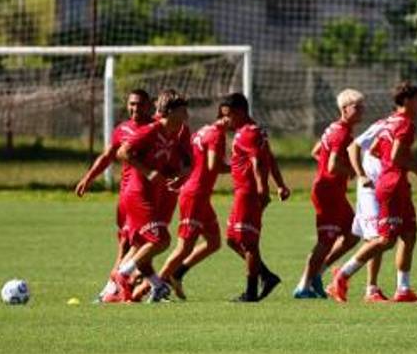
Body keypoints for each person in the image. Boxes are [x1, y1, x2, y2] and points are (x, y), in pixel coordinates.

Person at [329, 82, 417, 303]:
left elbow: (373, 149)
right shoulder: (405, 125)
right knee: (385, 240)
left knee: (409, 234)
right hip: (391, 186)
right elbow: (396, 156)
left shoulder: (385, 123)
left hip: (397, 184)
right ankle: (341, 276)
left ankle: (403, 289)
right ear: (408, 101)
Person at [75, 89, 154, 302]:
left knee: (143, 243)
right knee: (129, 243)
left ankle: (127, 286)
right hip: (129, 197)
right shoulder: (123, 130)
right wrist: (88, 178)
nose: (135, 108)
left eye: (139, 104)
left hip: (152, 196)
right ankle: (119, 288)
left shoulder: (156, 129)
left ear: (149, 105)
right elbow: (108, 155)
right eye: (131, 104)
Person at [112, 95, 192, 302]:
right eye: (183, 111)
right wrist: (147, 173)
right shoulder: (151, 130)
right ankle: (122, 274)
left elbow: (168, 165)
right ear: (171, 112)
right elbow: (122, 152)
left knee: (144, 246)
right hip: (137, 193)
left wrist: (178, 177)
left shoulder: (172, 135)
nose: (187, 115)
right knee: (160, 239)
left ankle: (157, 286)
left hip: (150, 194)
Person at [294, 89, 365, 298]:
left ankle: (318, 273)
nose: (362, 111)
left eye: (363, 106)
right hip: (328, 193)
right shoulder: (341, 133)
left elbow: (316, 152)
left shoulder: (336, 128)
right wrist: (351, 171)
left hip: (335, 192)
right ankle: (303, 286)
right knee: (325, 241)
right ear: (344, 109)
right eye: (357, 107)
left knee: (353, 234)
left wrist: (330, 167)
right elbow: (333, 165)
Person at [222, 92, 290, 302]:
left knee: (248, 243)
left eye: (229, 115)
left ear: (241, 112)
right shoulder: (254, 130)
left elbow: (258, 162)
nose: (226, 120)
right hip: (242, 192)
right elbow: (269, 157)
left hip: (248, 193)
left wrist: (262, 189)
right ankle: (267, 276)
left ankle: (251, 292)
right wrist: (280, 184)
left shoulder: (248, 133)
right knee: (233, 240)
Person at [157, 112, 232, 299]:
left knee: (214, 242)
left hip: (199, 196)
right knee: (184, 248)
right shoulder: (217, 135)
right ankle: (155, 285)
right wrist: (239, 164)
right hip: (195, 196)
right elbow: (212, 166)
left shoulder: (203, 131)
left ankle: (177, 274)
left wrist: (182, 178)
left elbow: (193, 162)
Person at [346, 114, 390, 301]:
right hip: (370, 191)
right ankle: (343, 278)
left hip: (382, 189)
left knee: (368, 239)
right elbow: (353, 146)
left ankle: (315, 276)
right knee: (378, 238)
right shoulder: (383, 125)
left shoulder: (401, 127)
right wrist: (361, 175)